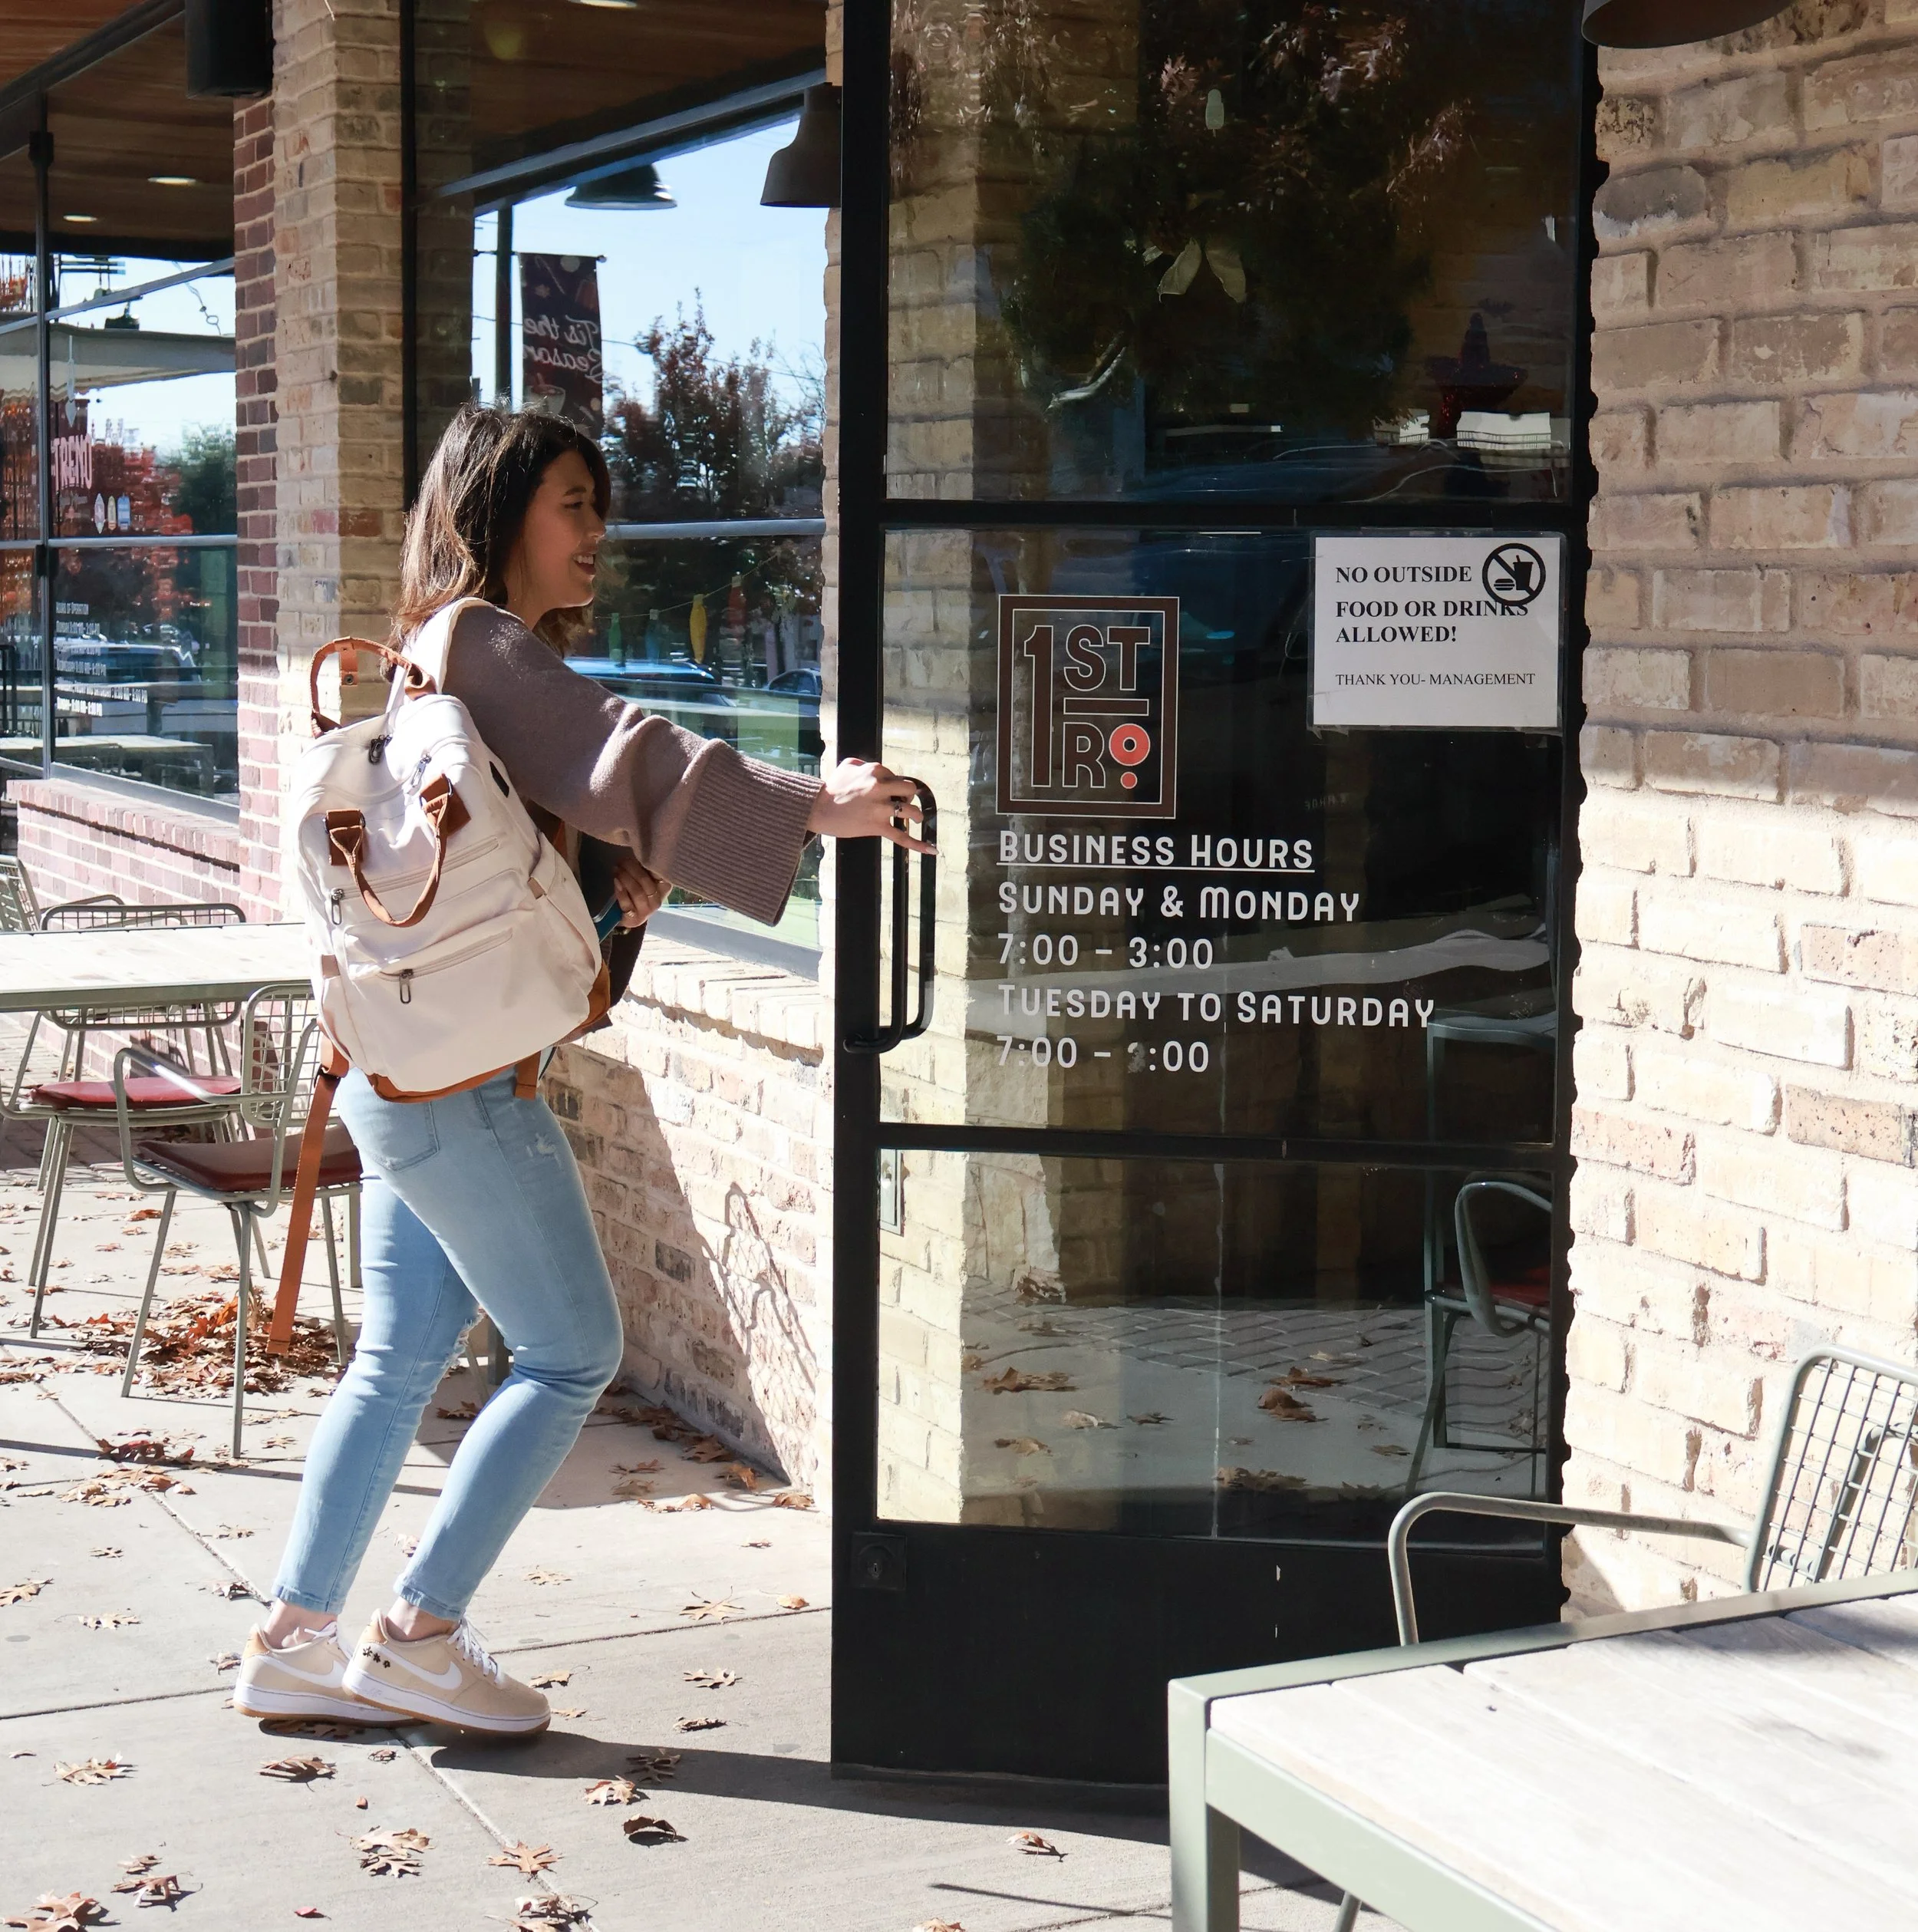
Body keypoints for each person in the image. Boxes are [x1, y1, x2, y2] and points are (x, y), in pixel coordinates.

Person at [234, 404, 926, 1736]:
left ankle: (295, 1638)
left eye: (599, 503)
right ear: (498, 513)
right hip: (463, 1097)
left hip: (401, 1077)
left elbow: (527, 874)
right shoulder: (478, 638)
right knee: (571, 1351)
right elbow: (630, 751)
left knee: (399, 1357)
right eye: (571, 501)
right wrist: (809, 809)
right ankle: (420, 1637)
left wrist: (639, 878)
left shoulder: (433, 653)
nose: (597, 530)